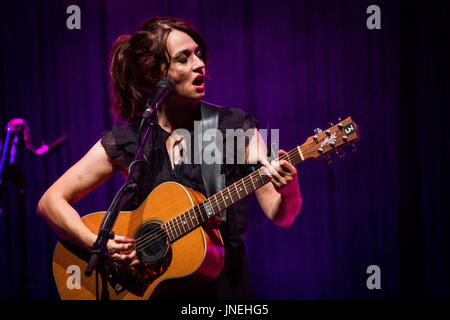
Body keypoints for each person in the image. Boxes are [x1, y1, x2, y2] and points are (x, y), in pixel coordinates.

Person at [37, 16, 302, 299]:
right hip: (149, 291)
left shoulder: (233, 127)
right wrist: (98, 243)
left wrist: (289, 190)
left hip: (222, 292)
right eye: (183, 58)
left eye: (199, 54)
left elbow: (281, 216)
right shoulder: (131, 140)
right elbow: (50, 202)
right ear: (154, 75)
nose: (200, 65)